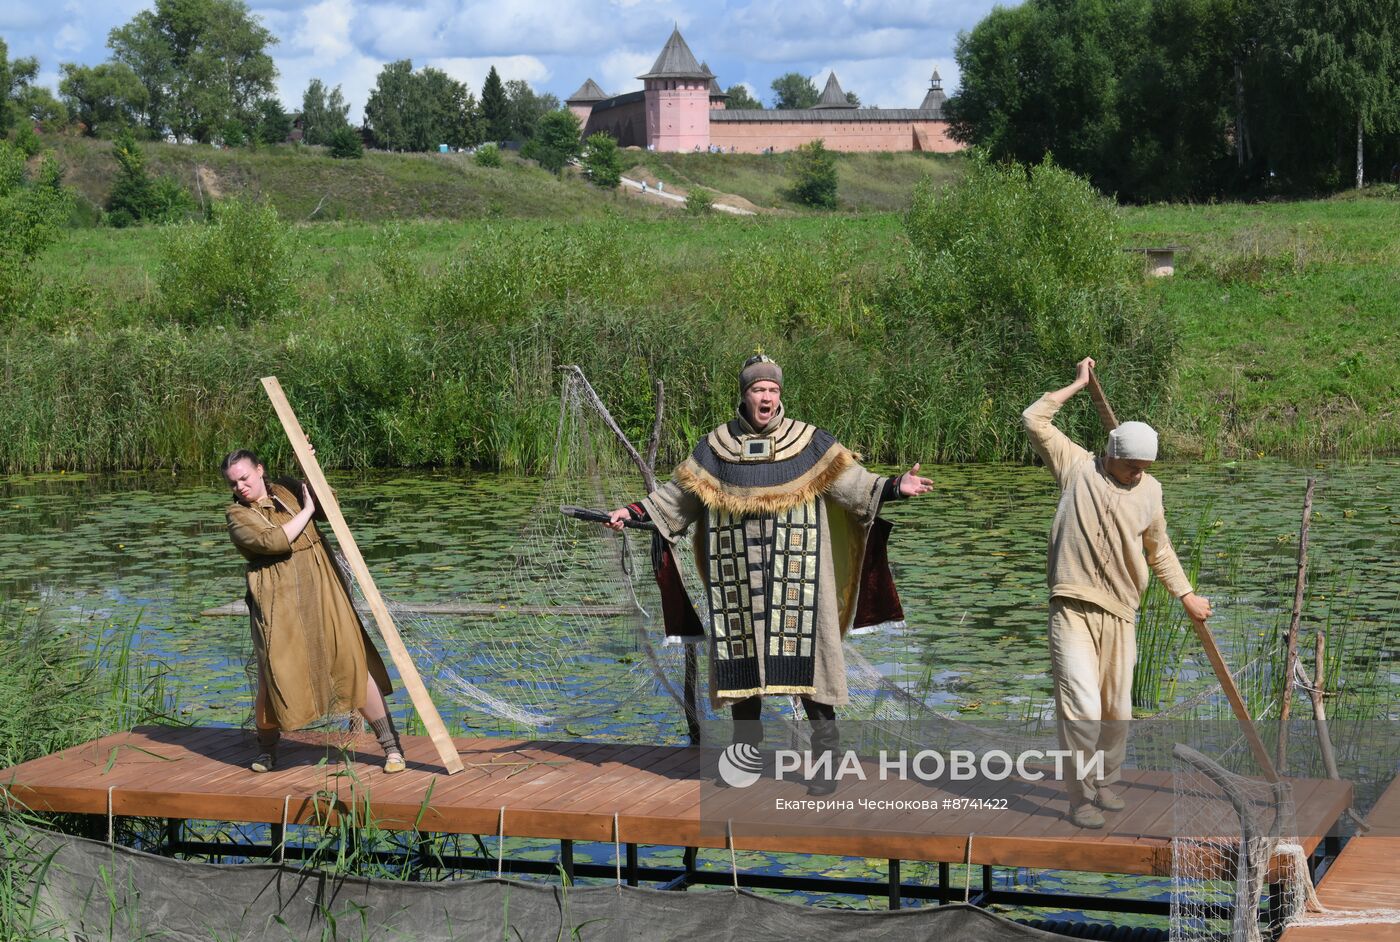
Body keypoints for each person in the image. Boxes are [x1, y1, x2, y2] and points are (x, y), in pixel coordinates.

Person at [607, 354, 932, 794]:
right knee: (743, 674)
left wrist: (895, 486)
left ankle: (826, 763)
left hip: (801, 578)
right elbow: (677, 499)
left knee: (812, 669)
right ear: (744, 395)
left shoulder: (811, 444)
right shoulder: (715, 448)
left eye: (773, 390)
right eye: (758, 390)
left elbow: (854, 484)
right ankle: (746, 759)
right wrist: (631, 511)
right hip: (735, 579)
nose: (766, 397)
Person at [1022, 358, 1212, 828]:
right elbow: (1033, 419)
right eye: (1131, 466)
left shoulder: (1151, 492)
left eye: (1144, 467)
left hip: (1122, 612)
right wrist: (1078, 384)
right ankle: (1079, 796)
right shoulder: (1076, 467)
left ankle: (1104, 780)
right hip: (1072, 606)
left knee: (1116, 712)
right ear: (1111, 453)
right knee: (1082, 707)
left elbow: (1159, 550)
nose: (1137, 474)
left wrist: (1186, 595)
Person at [222, 449, 405, 774]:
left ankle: (392, 748)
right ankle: (267, 751)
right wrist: (305, 511)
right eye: (234, 483)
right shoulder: (237, 515)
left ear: (259, 470)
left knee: (350, 660)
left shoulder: (287, 488)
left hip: (321, 583)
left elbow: (326, 506)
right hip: (277, 596)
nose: (240, 487)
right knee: (274, 674)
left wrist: (310, 465)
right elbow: (273, 542)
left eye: (244, 478)